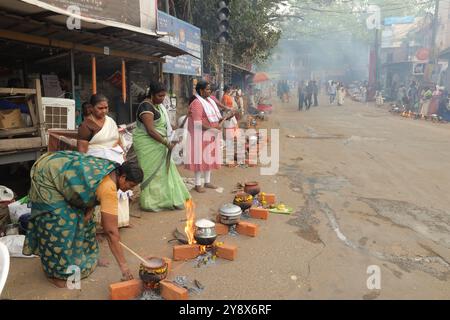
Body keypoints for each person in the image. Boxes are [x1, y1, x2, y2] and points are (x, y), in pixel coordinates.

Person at [23, 151, 143, 288]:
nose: (130, 189)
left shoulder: (113, 170)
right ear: (123, 177)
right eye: (131, 185)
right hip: (48, 174)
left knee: (85, 220)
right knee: (61, 226)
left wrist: (89, 209)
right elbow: (111, 232)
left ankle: (87, 260)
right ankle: (57, 274)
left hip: (64, 174)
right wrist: (124, 268)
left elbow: (90, 186)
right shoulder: (108, 187)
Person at [133, 82, 191, 212]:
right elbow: (151, 131)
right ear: (152, 94)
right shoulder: (146, 106)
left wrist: (176, 133)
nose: (162, 98)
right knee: (151, 173)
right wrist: (167, 143)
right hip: (148, 145)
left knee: (164, 172)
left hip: (159, 142)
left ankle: (167, 199)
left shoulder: (158, 106)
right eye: (159, 95)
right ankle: (150, 203)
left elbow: (165, 126)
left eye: (164, 96)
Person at [185, 80, 223, 193]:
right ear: (201, 91)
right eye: (207, 89)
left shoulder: (209, 101)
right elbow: (197, 123)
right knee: (199, 159)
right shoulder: (197, 103)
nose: (209, 91)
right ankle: (197, 184)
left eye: (209, 89)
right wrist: (212, 129)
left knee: (209, 157)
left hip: (209, 134)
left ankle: (207, 182)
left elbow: (215, 116)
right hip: (199, 136)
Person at [77, 94, 125, 165]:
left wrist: (123, 155)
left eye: (106, 107)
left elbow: (118, 141)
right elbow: (82, 151)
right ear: (91, 108)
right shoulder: (85, 125)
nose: (104, 111)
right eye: (100, 108)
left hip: (117, 159)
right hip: (96, 163)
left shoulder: (110, 121)